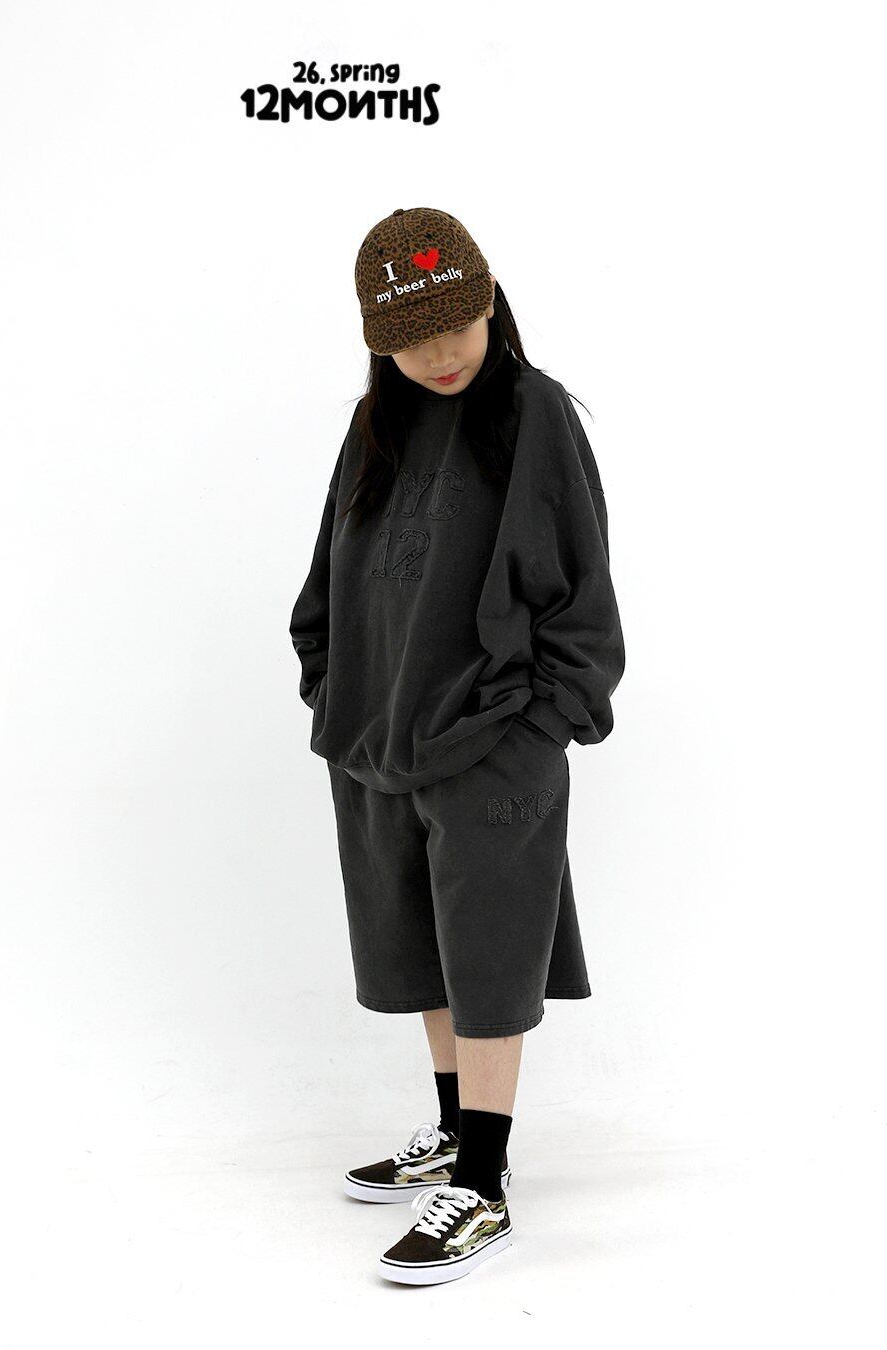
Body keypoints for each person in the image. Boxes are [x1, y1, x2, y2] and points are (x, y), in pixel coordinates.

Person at [289, 206, 625, 1285]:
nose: (439, 353)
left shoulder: (532, 412)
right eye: (411, 336)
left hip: (491, 743)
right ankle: (453, 1132)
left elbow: (581, 590)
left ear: (490, 304)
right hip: (376, 739)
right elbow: (330, 568)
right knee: (420, 946)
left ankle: (482, 1185)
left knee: (485, 957)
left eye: (455, 324)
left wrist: (538, 727)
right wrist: (332, 687)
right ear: (377, 342)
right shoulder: (374, 425)